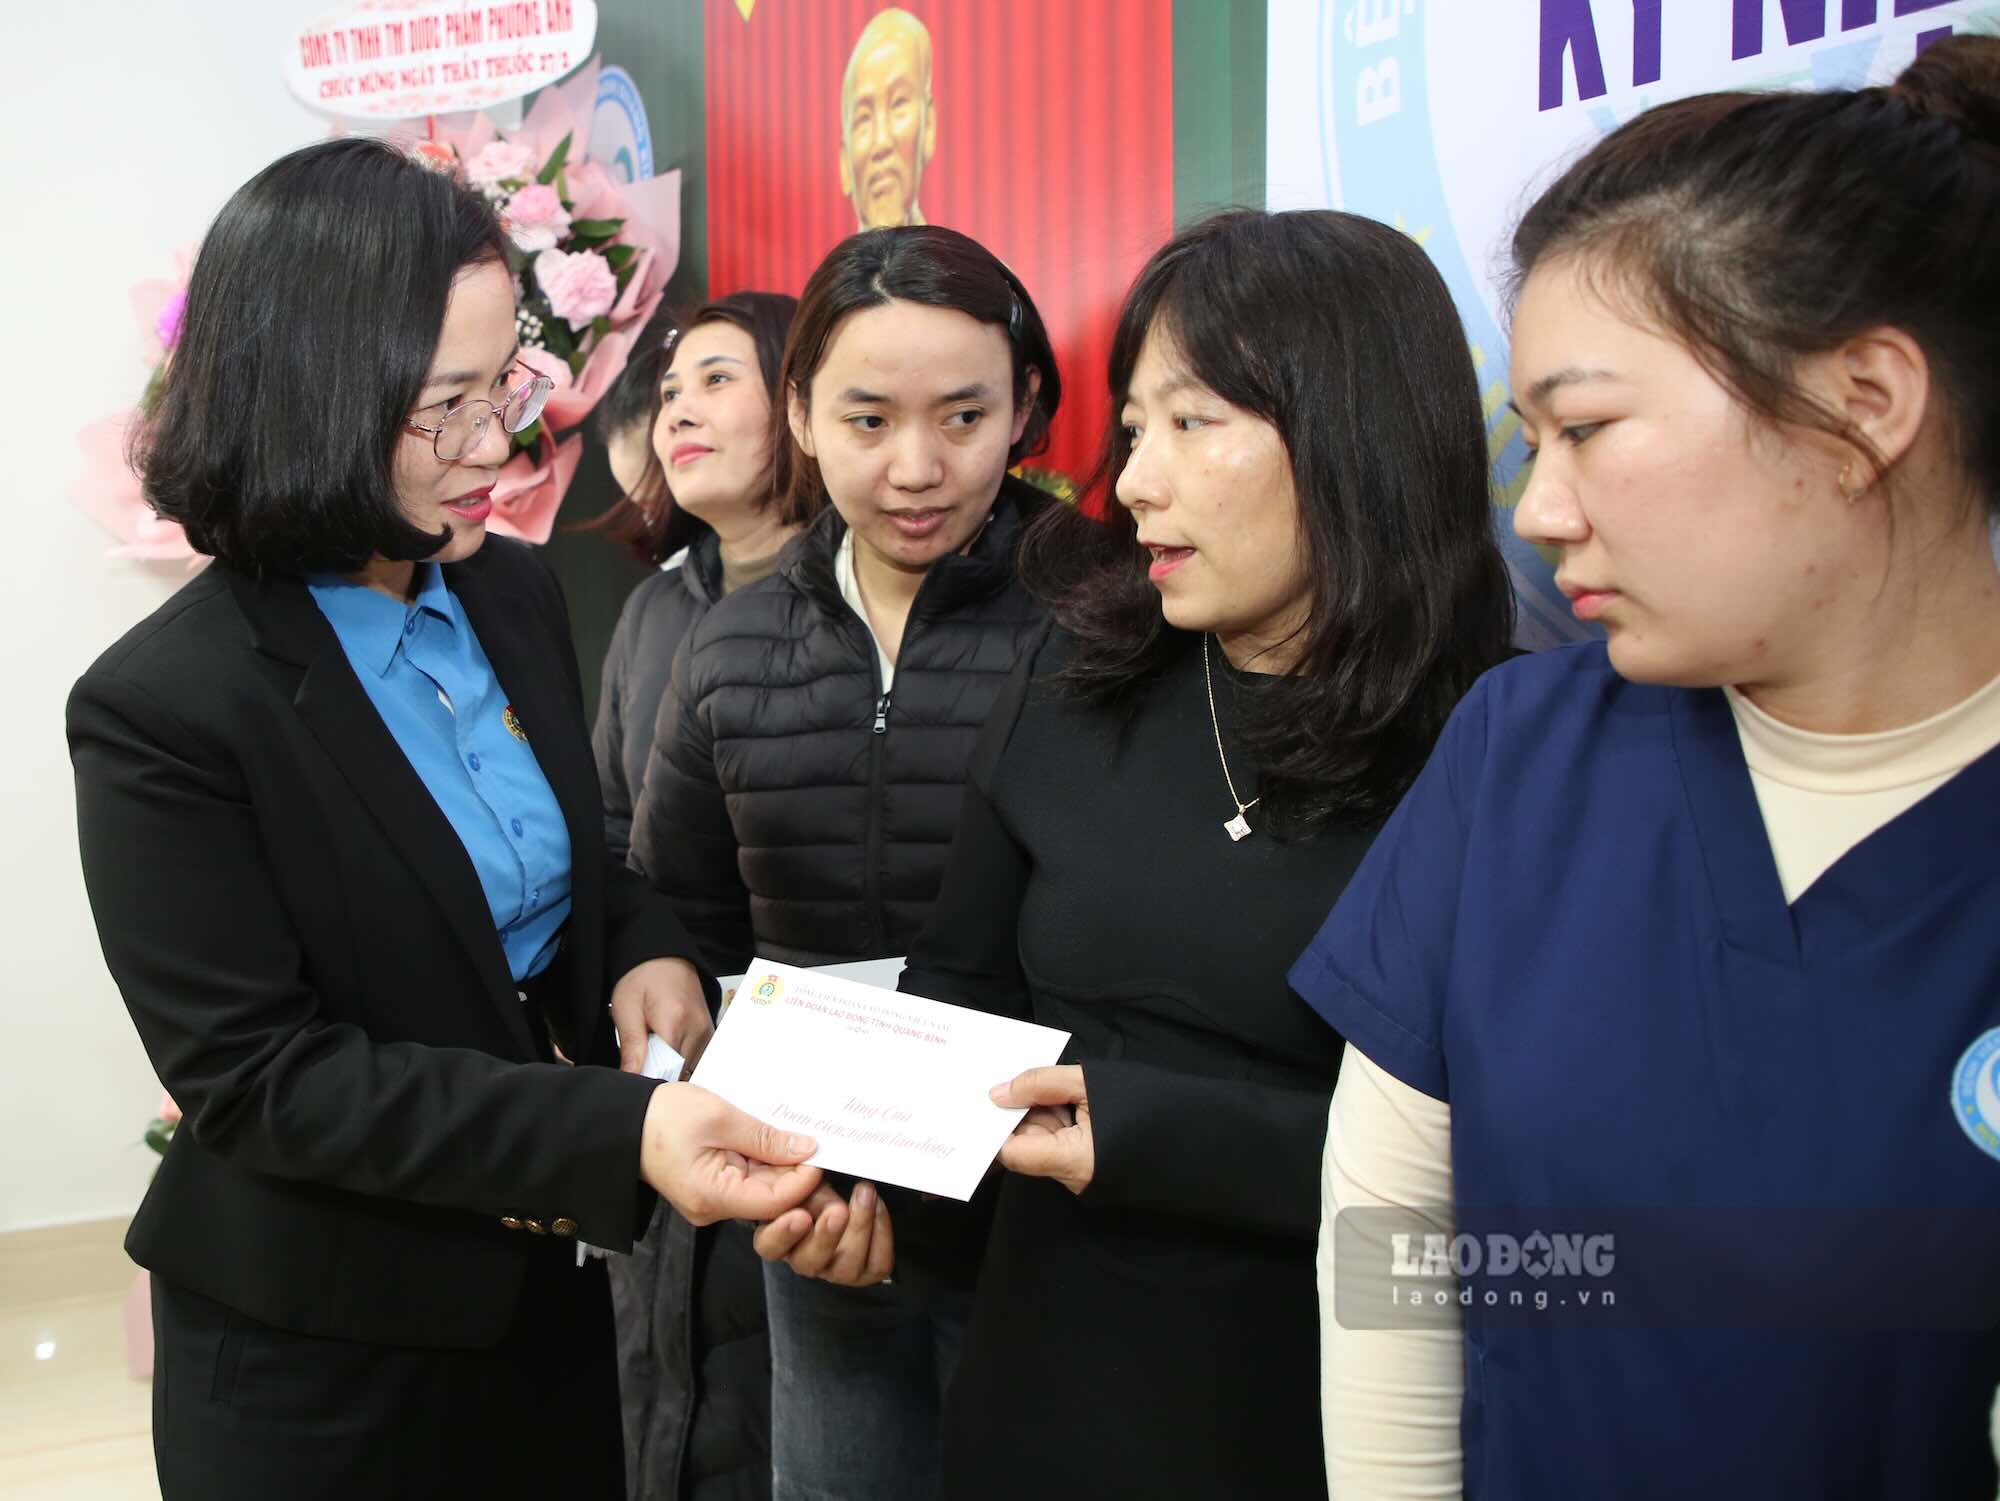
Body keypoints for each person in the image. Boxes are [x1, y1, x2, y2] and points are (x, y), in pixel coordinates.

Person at [1296, 35, 2000, 1500]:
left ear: (1867, 400)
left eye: (1590, 428)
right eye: (1529, 438)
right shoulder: (1519, 763)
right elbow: (1405, 1258)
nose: (1541, 508)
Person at [66, 137, 821, 1501]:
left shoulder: (507, 594)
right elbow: (265, 1078)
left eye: (506, 388)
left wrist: (641, 939)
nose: (500, 446)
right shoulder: (165, 707)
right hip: (324, 1352)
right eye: (448, 406)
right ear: (314, 403)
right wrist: (618, 1135)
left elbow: (566, 850)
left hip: (539, 1299)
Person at [763, 208, 1515, 1496]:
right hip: (1037, 1387)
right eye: (1131, 426)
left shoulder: (1502, 750)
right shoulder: (1077, 672)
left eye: (1192, 421)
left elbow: (1528, 1193)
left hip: (1327, 1413)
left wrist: (1158, 1130)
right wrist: (858, 1188)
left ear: (1355, 432)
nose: (1135, 482)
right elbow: (957, 995)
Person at [630, 224, 1060, 1501]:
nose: (915, 468)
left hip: (1051, 1208)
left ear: (1026, 405)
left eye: (965, 416)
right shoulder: (727, 644)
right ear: (803, 413)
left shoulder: (1106, 614)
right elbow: (682, 909)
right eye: (867, 419)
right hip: (816, 1208)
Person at [587, 290, 801, 1501]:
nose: (680, 408)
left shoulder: (855, 598)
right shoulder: (653, 609)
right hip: (666, 1061)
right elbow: (613, 829)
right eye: (669, 388)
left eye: (718, 379)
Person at [838, 7, 936, 230]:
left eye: (898, 104)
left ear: (928, 126)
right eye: (863, 119)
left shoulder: (967, 265)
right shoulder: (826, 267)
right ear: (844, 164)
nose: (881, 141)